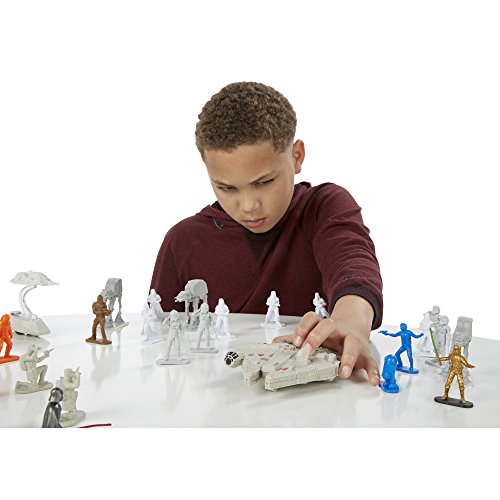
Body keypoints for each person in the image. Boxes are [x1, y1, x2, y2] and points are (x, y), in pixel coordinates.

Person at [150, 82, 383, 386]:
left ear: (296, 156)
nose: (248, 206)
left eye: (264, 182)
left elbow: (353, 263)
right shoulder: (182, 242)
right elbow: (159, 342)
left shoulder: (324, 208)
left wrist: (350, 322)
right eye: (226, 188)